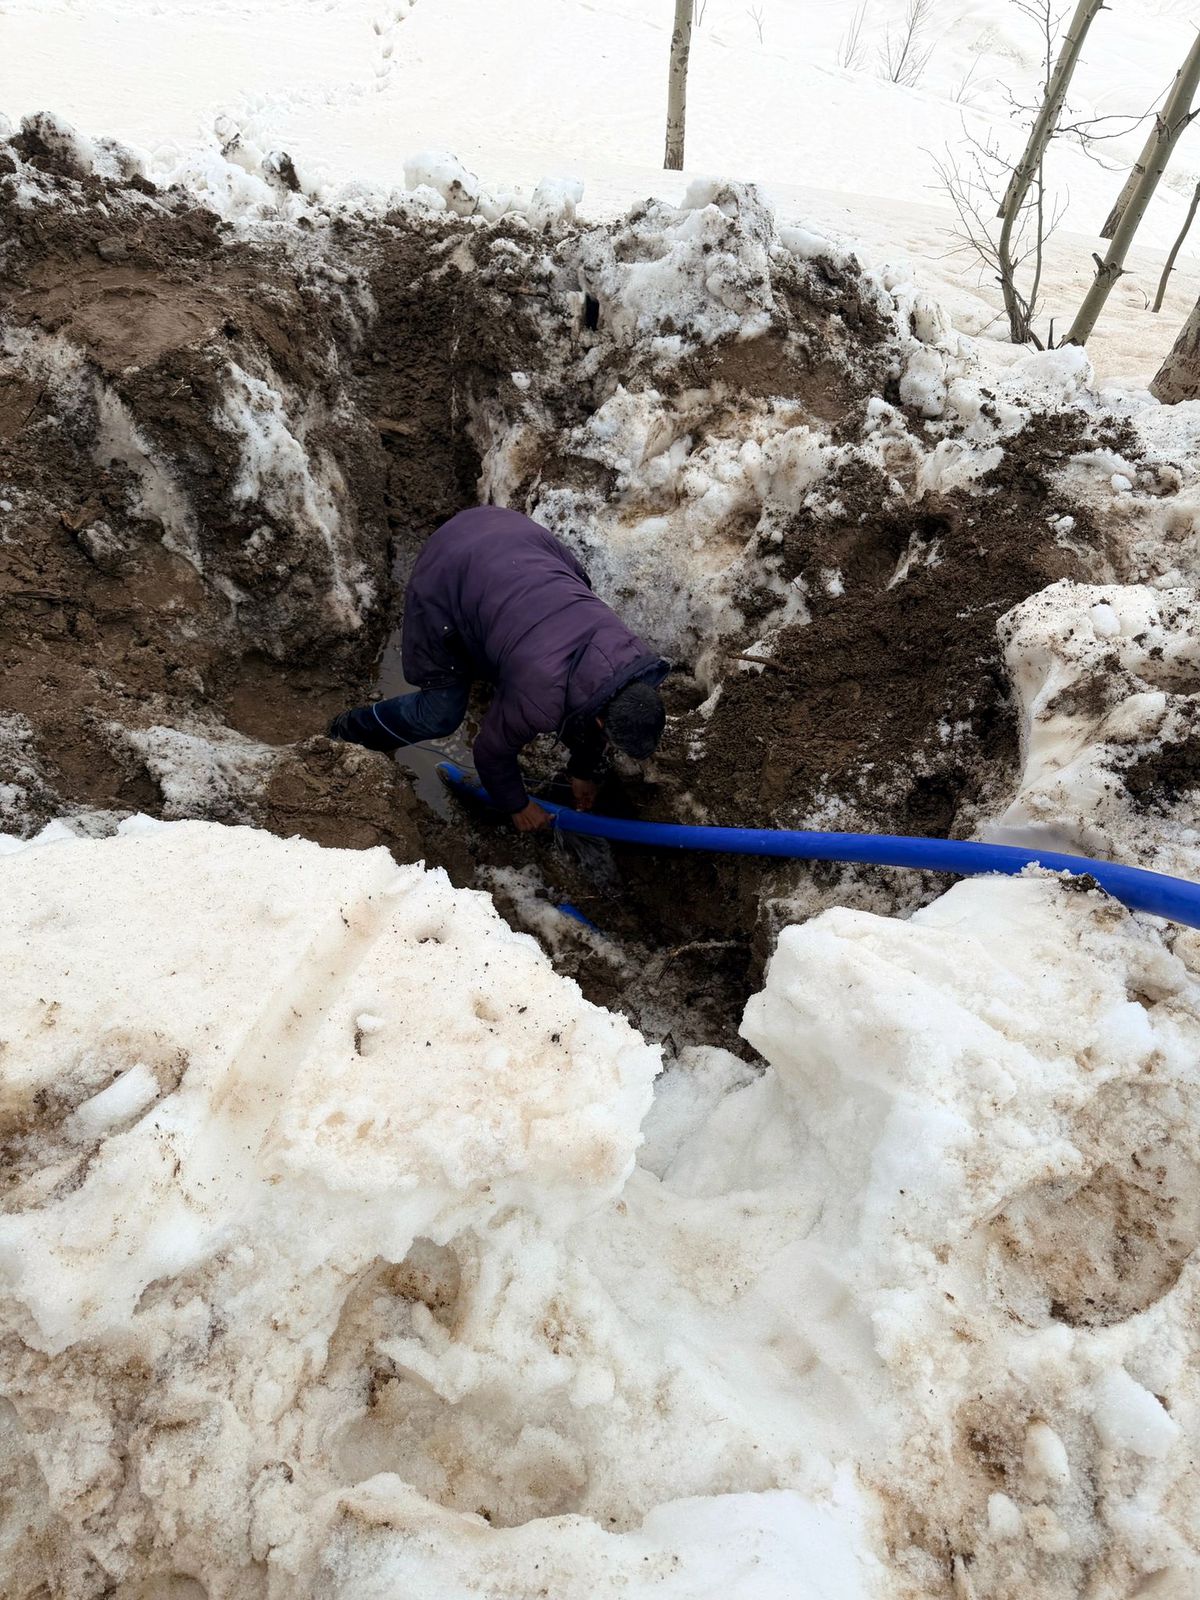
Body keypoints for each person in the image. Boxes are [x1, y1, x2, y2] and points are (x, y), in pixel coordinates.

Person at [328, 506, 668, 831]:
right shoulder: (541, 693)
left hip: (509, 532)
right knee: (440, 713)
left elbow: (593, 703)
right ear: (600, 722)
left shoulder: (629, 656)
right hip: (446, 569)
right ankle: (348, 731)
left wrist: (583, 770)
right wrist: (517, 805)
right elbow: (490, 753)